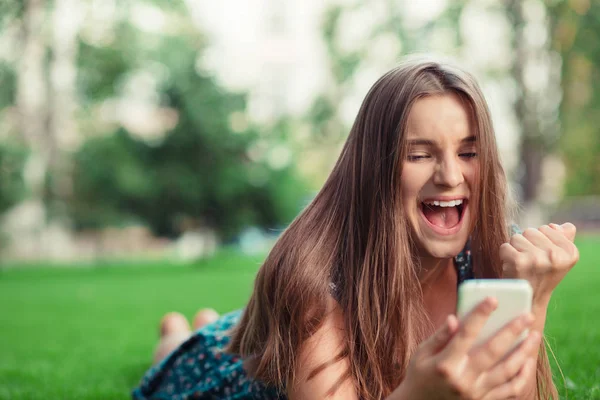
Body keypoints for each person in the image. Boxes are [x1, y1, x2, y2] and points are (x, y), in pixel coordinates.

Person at [133, 57, 579, 400]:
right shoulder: (311, 283)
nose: (450, 175)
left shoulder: (490, 257)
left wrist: (533, 301)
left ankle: (208, 324)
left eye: (468, 152)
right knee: (189, 344)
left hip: (267, 339)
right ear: (376, 169)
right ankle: (178, 335)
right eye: (420, 154)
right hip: (219, 374)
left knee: (228, 328)